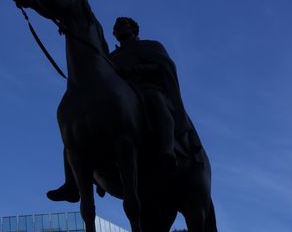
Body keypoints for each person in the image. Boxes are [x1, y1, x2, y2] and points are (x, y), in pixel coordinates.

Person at [47, 17, 202, 202]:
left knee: (156, 101)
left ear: (134, 29)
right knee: (76, 135)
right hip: (121, 101)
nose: (118, 29)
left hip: (145, 89)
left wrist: (134, 70)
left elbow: (163, 67)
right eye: (116, 27)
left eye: (123, 25)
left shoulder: (151, 46)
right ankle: (72, 184)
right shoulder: (111, 57)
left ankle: (167, 150)